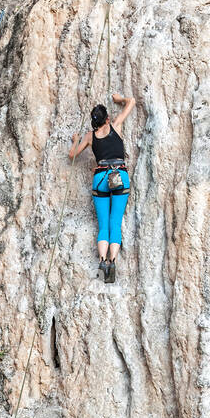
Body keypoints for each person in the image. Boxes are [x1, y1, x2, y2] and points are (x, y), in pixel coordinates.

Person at [69, 91, 135, 283]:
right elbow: (132, 101)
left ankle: (102, 261)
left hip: (100, 179)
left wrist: (75, 141)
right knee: (115, 223)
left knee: (103, 225)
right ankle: (112, 261)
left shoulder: (90, 136)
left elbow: (72, 155)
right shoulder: (115, 125)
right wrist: (119, 100)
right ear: (107, 118)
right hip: (119, 175)